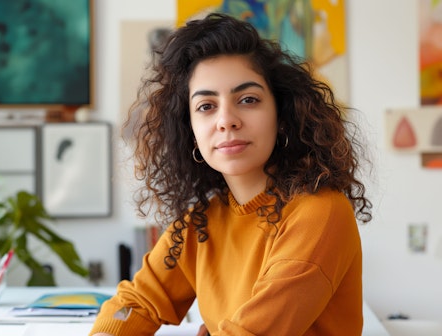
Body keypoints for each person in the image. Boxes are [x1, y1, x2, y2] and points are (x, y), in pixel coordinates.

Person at [90, 13, 372, 336]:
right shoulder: (202, 221)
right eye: (206, 106)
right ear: (190, 130)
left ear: (281, 115)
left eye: (248, 100)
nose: (226, 120)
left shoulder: (320, 213)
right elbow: (137, 302)